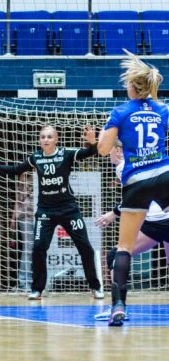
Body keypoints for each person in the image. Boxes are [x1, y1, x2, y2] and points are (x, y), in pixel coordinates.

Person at [0, 125, 104, 301]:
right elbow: (16, 170)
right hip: (46, 211)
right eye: (43, 137)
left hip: (69, 209)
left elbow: (89, 153)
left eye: (49, 136)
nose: (46, 139)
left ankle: (95, 286)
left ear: (56, 139)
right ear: (39, 140)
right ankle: (37, 289)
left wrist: (92, 143)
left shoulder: (65, 154)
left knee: (85, 247)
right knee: (38, 248)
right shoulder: (35, 158)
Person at [97, 51, 169, 326]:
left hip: (137, 180)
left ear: (131, 86)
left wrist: (106, 135)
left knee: (123, 247)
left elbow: (103, 150)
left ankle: (118, 306)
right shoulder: (163, 109)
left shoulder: (121, 111)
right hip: (165, 174)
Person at [94, 142, 169, 321]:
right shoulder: (148, 162)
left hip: (156, 224)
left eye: (109, 150)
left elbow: (136, 197)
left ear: (119, 151)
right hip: (160, 220)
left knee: (116, 254)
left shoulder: (123, 167)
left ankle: (118, 306)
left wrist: (113, 213)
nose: (107, 154)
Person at [10, 173, 34, 291]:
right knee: (28, 248)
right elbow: (19, 199)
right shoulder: (24, 176)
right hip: (26, 217)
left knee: (40, 249)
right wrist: (13, 218)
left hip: (43, 216)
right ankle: (24, 282)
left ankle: (39, 280)